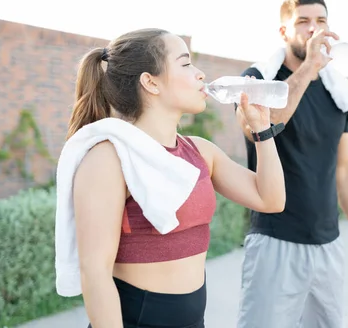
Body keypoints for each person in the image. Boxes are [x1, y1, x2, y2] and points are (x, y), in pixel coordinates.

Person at [58, 28, 286, 328]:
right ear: (150, 82)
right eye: (186, 63)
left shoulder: (200, 152)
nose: (200, 74)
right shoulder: (109, 157)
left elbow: (270, 199)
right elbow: (95, 272)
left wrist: (262, 129)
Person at [235, 0, 348, 328]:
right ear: (284, 32)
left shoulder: (337, 91)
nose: (313, 29)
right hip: (275, 240)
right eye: (303, 21)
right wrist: (308, 67)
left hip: (327, 244)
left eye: (321, 22)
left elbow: (344, 169)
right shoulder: (258, 78)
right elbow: (264, 123)